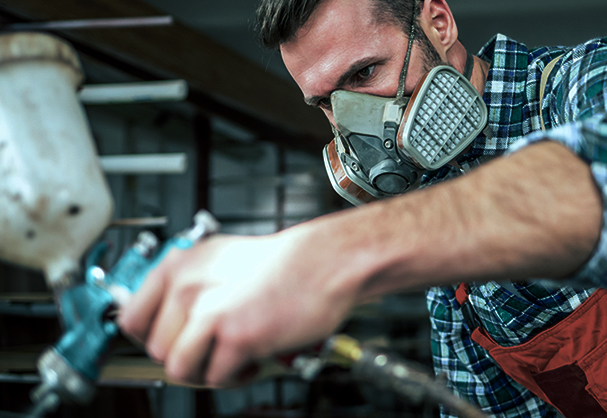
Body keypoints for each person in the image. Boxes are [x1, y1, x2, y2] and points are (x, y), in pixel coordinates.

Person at [119, 0, 607, 416]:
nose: (355, 122)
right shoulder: (439, 233)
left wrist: (324, 258)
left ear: (438, 23)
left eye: (365, 72)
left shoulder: (581, 82)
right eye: (327, 103)